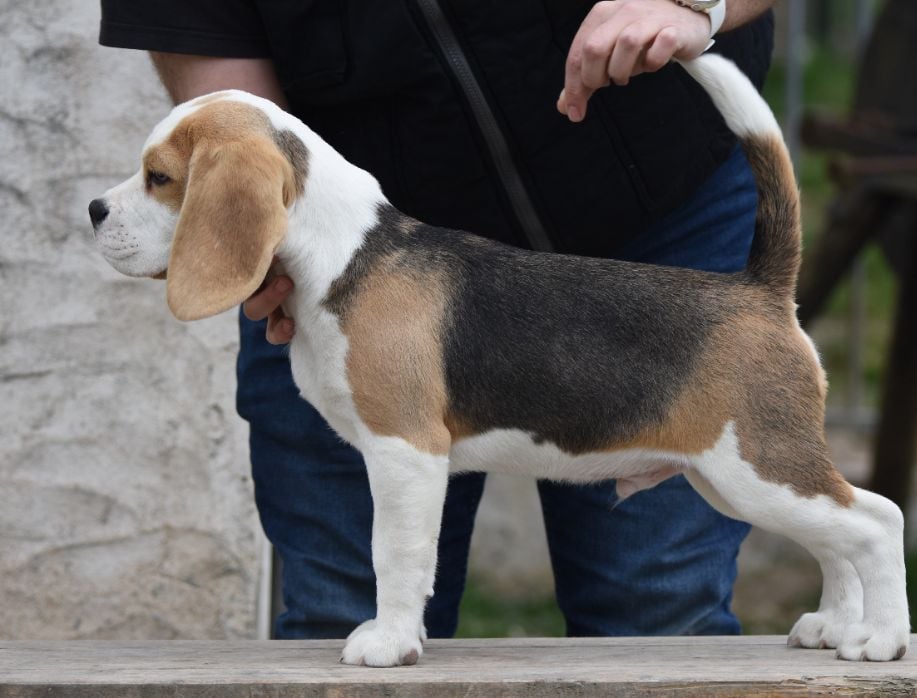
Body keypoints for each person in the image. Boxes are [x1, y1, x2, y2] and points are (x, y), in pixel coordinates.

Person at [99, 0, 776, 640]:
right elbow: (219, 82)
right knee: (343, 622)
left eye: (154, 180)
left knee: (660, 614)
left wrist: (693, 3)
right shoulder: (260, 183)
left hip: (658, 220)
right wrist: (258, 240)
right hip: (356, 267)